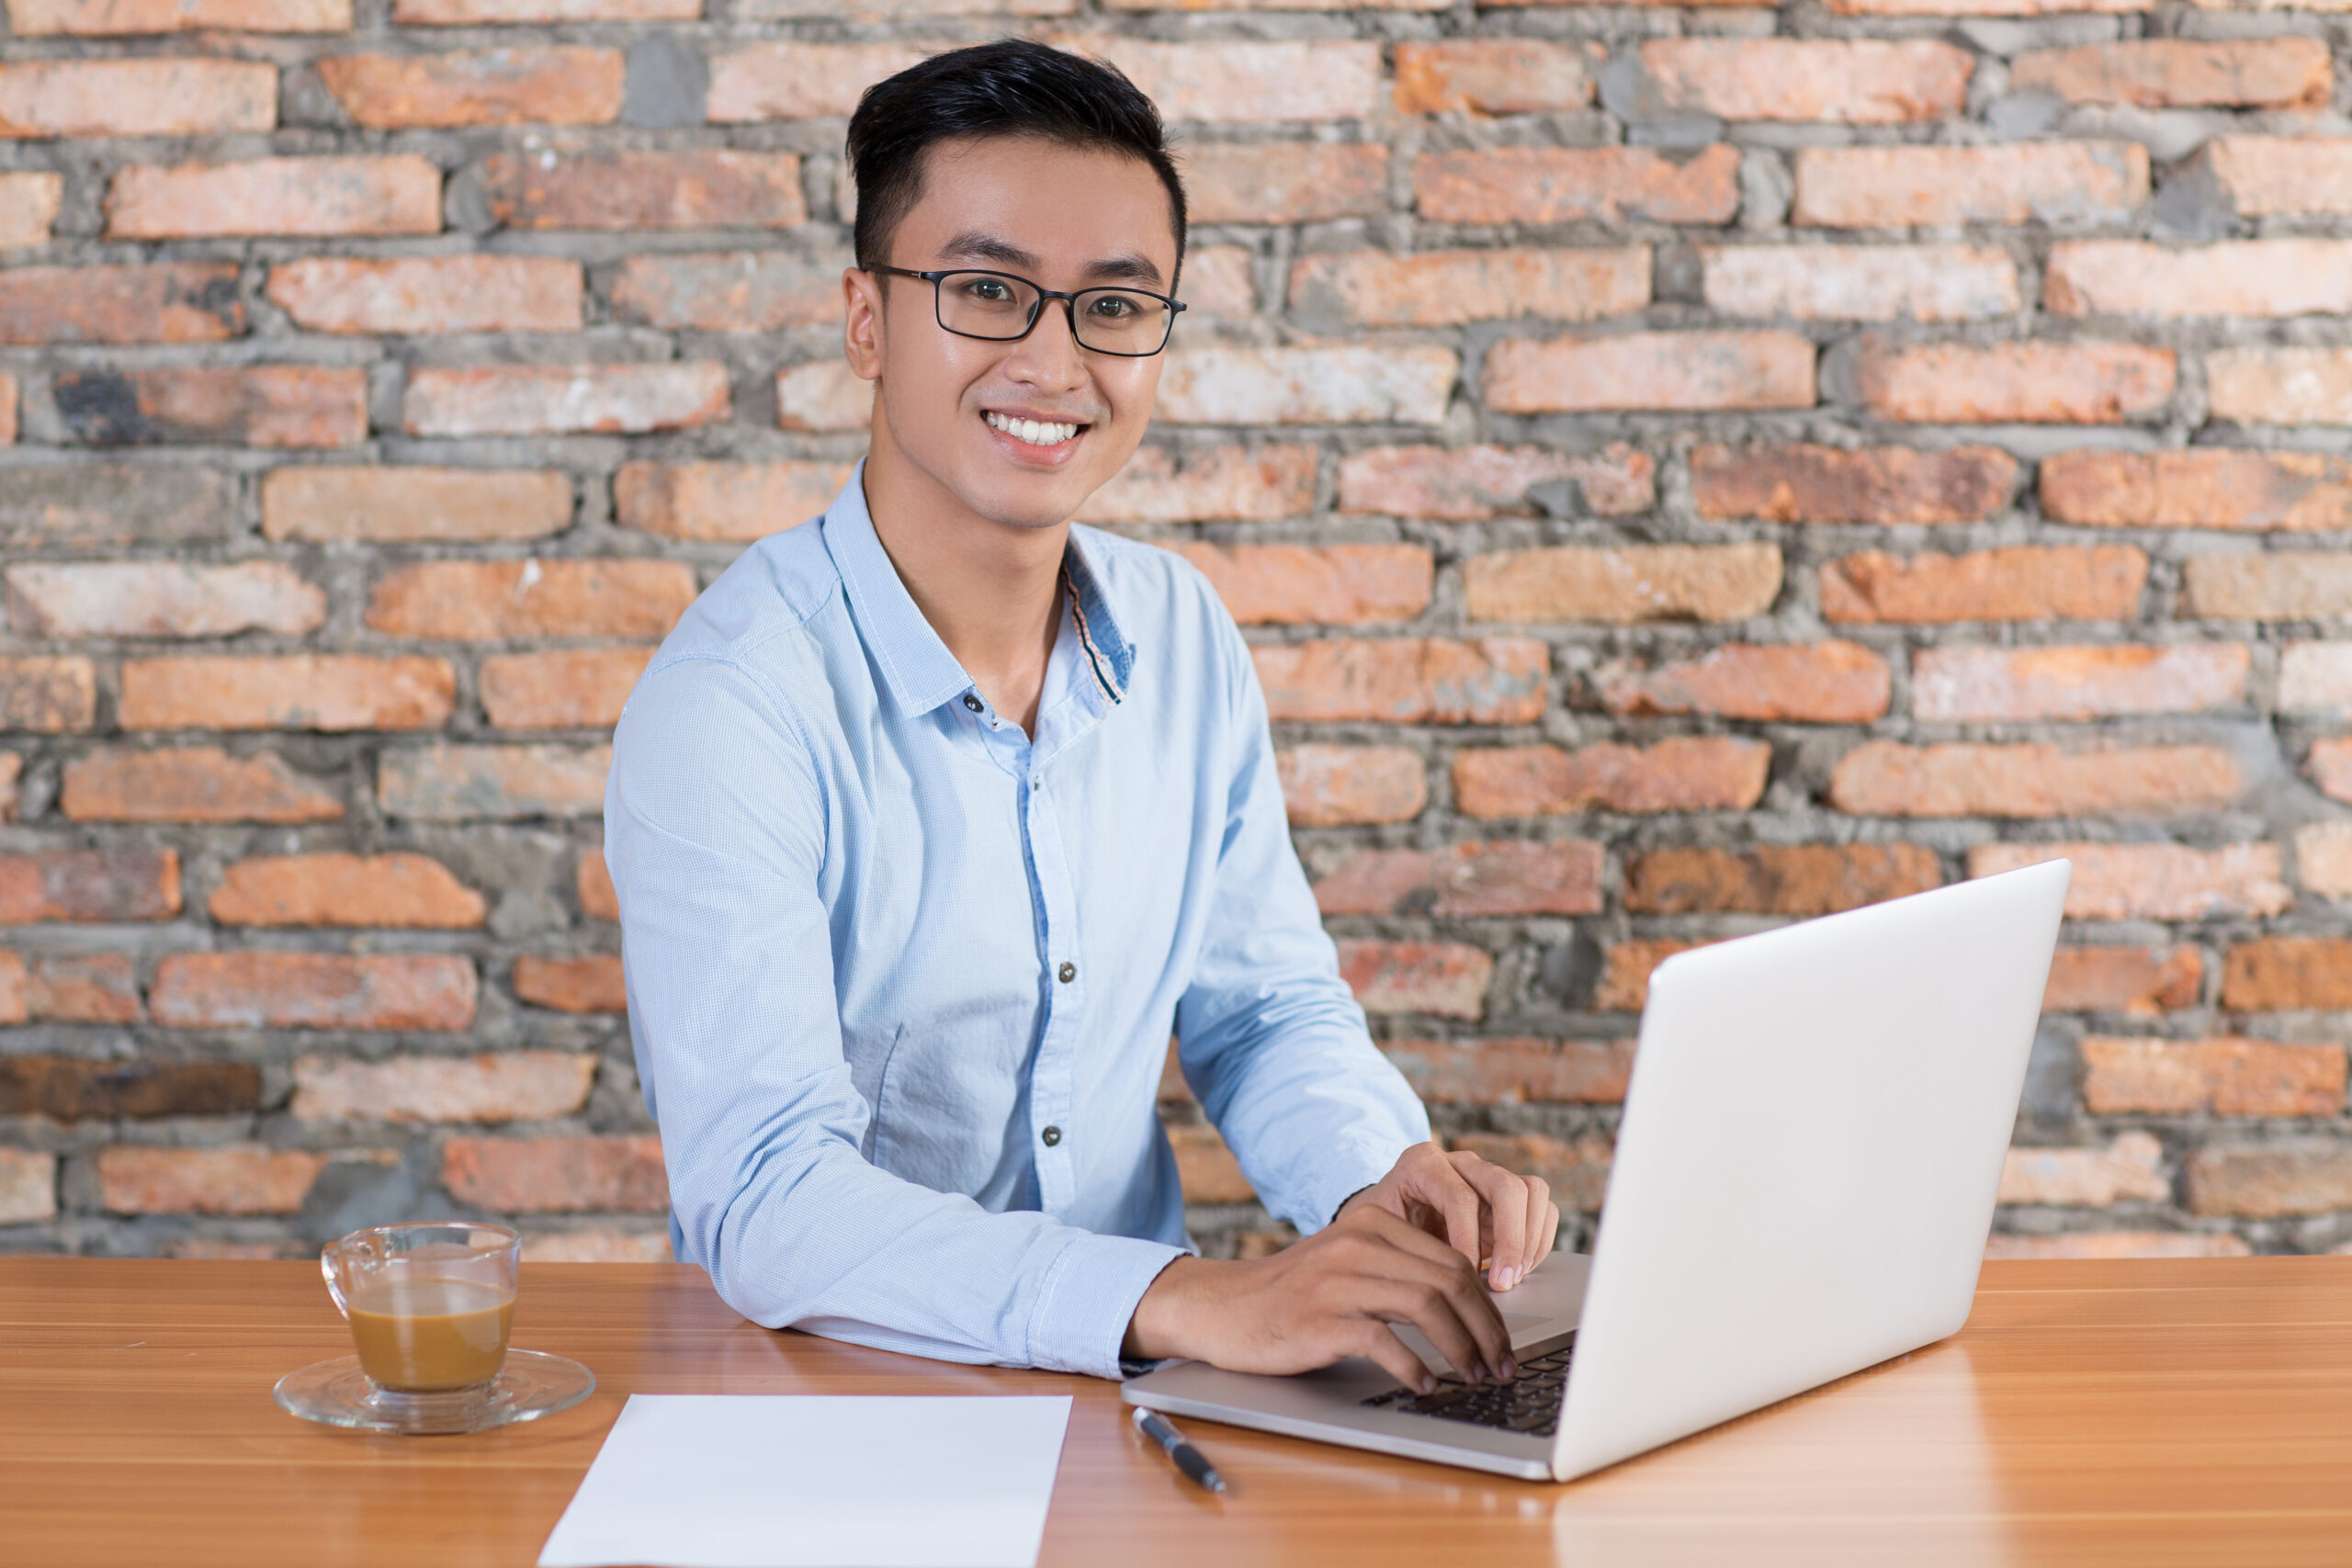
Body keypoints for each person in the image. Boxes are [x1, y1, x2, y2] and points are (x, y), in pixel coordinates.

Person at [605, 39, 1559, 1397]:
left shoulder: (1180, 634)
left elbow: (1263, 1013)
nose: (1055, 361)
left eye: (1113, 307)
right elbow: (767, 1197)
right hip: (850, 1403)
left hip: (1147, 1398)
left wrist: (1378, 1188)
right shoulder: (734, 704)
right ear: (867, 320)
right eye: (989, 291)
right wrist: (1182, 1298)